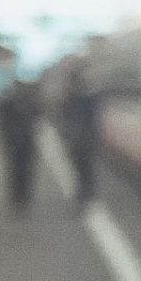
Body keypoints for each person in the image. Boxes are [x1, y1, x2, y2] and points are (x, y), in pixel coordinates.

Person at [0, 79, 40, 215]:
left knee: (27, 171)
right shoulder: (7, 103)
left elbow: (37, 117)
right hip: (14, 142)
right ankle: (17, 198)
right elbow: (1, 122)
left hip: (27, 141)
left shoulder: (31, 102)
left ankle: (24, 198)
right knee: (15, 171)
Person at [58, 63, 100, 206]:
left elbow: (66, 117)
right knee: (82, 166)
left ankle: (85, 193)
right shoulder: (81, 96)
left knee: (83, 166)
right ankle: (85, 193)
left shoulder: (77, 96)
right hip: (80, 137)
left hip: (80, 137)